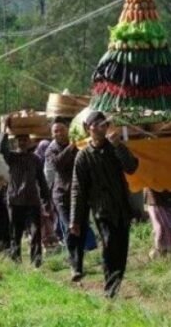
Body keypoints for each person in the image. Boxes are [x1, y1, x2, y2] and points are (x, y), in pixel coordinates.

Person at [70, 110, 138, 298]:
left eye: (104, 124)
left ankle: (115, 283)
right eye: (96, 125)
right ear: (87, 128)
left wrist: (119, 147)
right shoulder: (83, 157)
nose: (100, 129)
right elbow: (78, 190)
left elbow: (132, 167)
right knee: (109, 246)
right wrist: (75, 220)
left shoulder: (115, 148)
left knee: (122, 250)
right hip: (101, 211)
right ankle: (110, 289)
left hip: (122, 207)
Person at [46, 118, 97, 281]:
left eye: (61, 130)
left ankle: (79, 264)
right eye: (55, 131)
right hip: (62, 195)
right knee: (69, 228)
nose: (58, 133)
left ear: (67, 130)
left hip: (81, 195)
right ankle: (74, 266)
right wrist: (71, 147)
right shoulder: (51, 150)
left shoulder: (79, 145)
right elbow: (58, 164)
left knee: (81, 228)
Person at [0, 120, 52, 268]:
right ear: (16, 142)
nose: (22, 142)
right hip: (15, 201)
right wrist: (3, 129)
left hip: (32, 202)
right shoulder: (11, 158)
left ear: (29, 141)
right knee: (15, 234)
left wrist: (46, 201)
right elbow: (1, 148)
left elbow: (42, 181)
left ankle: (37, 263)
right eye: (19, 140)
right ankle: (16, 262)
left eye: (25, 140)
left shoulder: (35, 159)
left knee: (36, 233)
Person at [145, 188, 171, 258]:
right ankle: (159, 250)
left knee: (170, 227)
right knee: (159, 228)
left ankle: (168, 252)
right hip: (155, 194)